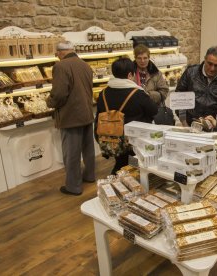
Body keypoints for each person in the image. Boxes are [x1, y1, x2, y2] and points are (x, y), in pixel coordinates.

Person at [46, 41, 95, 196]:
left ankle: (73, 186)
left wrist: (49, 102)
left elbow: (59, 94)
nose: (57, 57)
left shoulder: (61, 66)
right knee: (88, 149)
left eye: (57, 54)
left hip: (71, 115)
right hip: (87, 113)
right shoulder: (85, 65)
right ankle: (90, 175)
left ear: (61, 52)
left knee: (72, 152)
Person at [94, 57, 158, 174]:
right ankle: (127, 183)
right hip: (131, 140)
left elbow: (99, 114)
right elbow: (154, 110)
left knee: (121, 162)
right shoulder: (137, 93)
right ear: (130, 75)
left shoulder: (103, 93)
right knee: (133, 165)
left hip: (111, 138)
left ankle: (118, 181)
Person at [175, 46, 217, 126]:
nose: (212, 68)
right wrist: (184, 122)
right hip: (189, 124)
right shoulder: (190, 73)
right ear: (205, 59)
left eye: (216, 65)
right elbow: (179, 97)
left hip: (214, 128)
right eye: (209, 64)